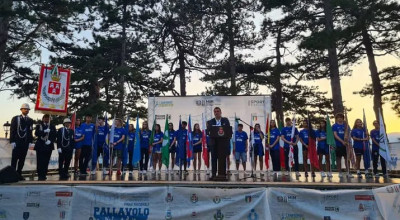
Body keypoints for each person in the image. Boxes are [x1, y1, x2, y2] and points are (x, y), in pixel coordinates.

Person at [9, 103, 34, 180]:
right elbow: (12, 130)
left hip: (25, 142)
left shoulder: (30, 120)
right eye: (25, 109)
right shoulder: (16, 118)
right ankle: (12, 175)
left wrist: (30, 141)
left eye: (27, 109)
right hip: (17, 142)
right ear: (21, 110)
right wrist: (12, 141)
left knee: (22, 160)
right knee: (14, 159)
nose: (26, 110)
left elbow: (30, 131)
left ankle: (19, 174)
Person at [207, 107, 231, 180]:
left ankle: (222, 174)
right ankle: (213, 174)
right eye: (215, 111)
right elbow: (208, 131)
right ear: (214, 113)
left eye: (218, 111)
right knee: (213, 159)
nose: (216, 112)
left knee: (222, 159)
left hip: (223, 144)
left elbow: (228, 130)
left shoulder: (225, 120)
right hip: (214, 143)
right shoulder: (210, 121)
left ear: (221, 112)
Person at [34, 114, 56, 181]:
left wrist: (50, 141)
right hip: (40, 145)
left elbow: (54, 135)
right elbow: (36, 133)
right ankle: (40, 175)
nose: (47, 119)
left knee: (46, 161)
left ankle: (44, 174)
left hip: (48, 146)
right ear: (43, 119)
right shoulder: (39, 125)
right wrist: (44, 131)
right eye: (45, 118)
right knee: (40, 161)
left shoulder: (52, 126)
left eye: (48, 118)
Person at [332, 113, 350, 178]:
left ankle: (348, 172)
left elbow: (348, 134)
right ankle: (340, 172)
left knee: (347, 158)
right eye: (338, 118)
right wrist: (342, 141)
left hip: (346, 145)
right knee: (338, 159)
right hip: (338, 144)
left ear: (343, 118)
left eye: (341, 117)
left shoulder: (346, 125)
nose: (340, 119)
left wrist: (346, 140)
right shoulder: (334, 126)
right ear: (336, 119)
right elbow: (335, 135)